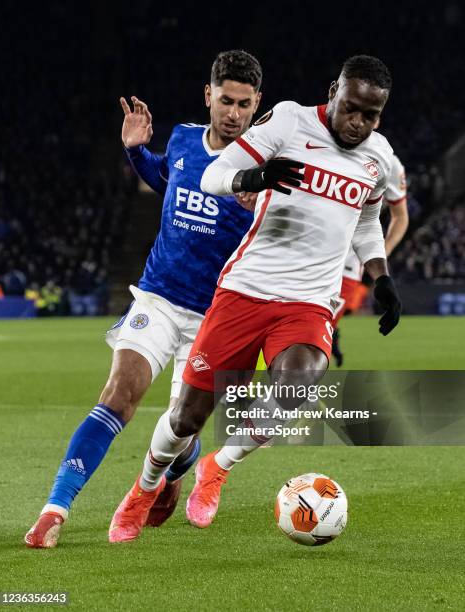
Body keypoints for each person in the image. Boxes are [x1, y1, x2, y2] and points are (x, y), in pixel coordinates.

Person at [109, 55, 402, 541]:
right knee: (187, 416)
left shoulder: (378, 156)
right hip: (244, 290)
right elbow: (213, 176)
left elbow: (368, 222)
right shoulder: (287, 120)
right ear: (334, 91)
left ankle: (218, 468)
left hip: (309, 301)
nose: (358, 123)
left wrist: (380, 276)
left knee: (298, 385)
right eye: (351, 108)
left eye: (371, 116)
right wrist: (254, 177)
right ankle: (144, 488)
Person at [25, 49, 262, 548]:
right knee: (117, 395)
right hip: (157, 298)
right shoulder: (181, 139)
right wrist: (136, 152)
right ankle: (55, 509)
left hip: (215, 318)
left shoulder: (264, 170)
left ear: (257, 102)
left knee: (181, 429)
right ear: (208, 95)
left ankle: (178, 469)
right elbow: (166, 179)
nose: (234, 113)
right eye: (225, 100)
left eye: (244, 103)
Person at [332, 153, 409, 365]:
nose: (358, 121)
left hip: (347, 263)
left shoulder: (389, 163)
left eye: (369, 117)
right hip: (302, 253)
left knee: (319, 325)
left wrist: (379, 255)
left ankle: (294, 393)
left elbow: (400, 216)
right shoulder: (315, 142)